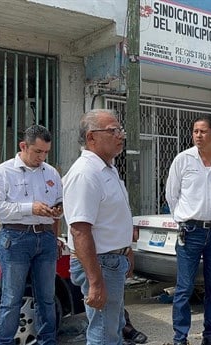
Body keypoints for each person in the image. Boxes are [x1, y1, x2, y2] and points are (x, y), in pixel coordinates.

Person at [0, 124, 64, 345]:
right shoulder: (3, 171)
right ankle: (4, 342)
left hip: (46, 237)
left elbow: (58, 205)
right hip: (15, 237)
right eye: (38, 151)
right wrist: (29, 208)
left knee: (47, 298)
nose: (42, 157)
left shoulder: (51, 173)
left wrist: (57, 214)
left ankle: (47, 341)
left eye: (46, 152)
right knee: (11, 299)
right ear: (23, 146)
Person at [63, 109, 134, 344]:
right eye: (113, 130)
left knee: (113, 328)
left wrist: (126, 251)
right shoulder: (85, 174)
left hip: (113, 261)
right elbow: (80, 230)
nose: (120, 135)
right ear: (91, 137)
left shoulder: (108, 169)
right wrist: (95, 282)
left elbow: (112, 218)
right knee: (104, 334)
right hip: (100, 264)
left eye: (120, 129)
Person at [166, 114, 211, 345]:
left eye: (203, 131)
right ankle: (180, 338)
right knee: (184, 288)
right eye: (195, 131)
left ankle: (210, 335)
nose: (198, 135)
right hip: (190, 232)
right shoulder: (183, 160)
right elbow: (171, 195)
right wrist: (185, 219)